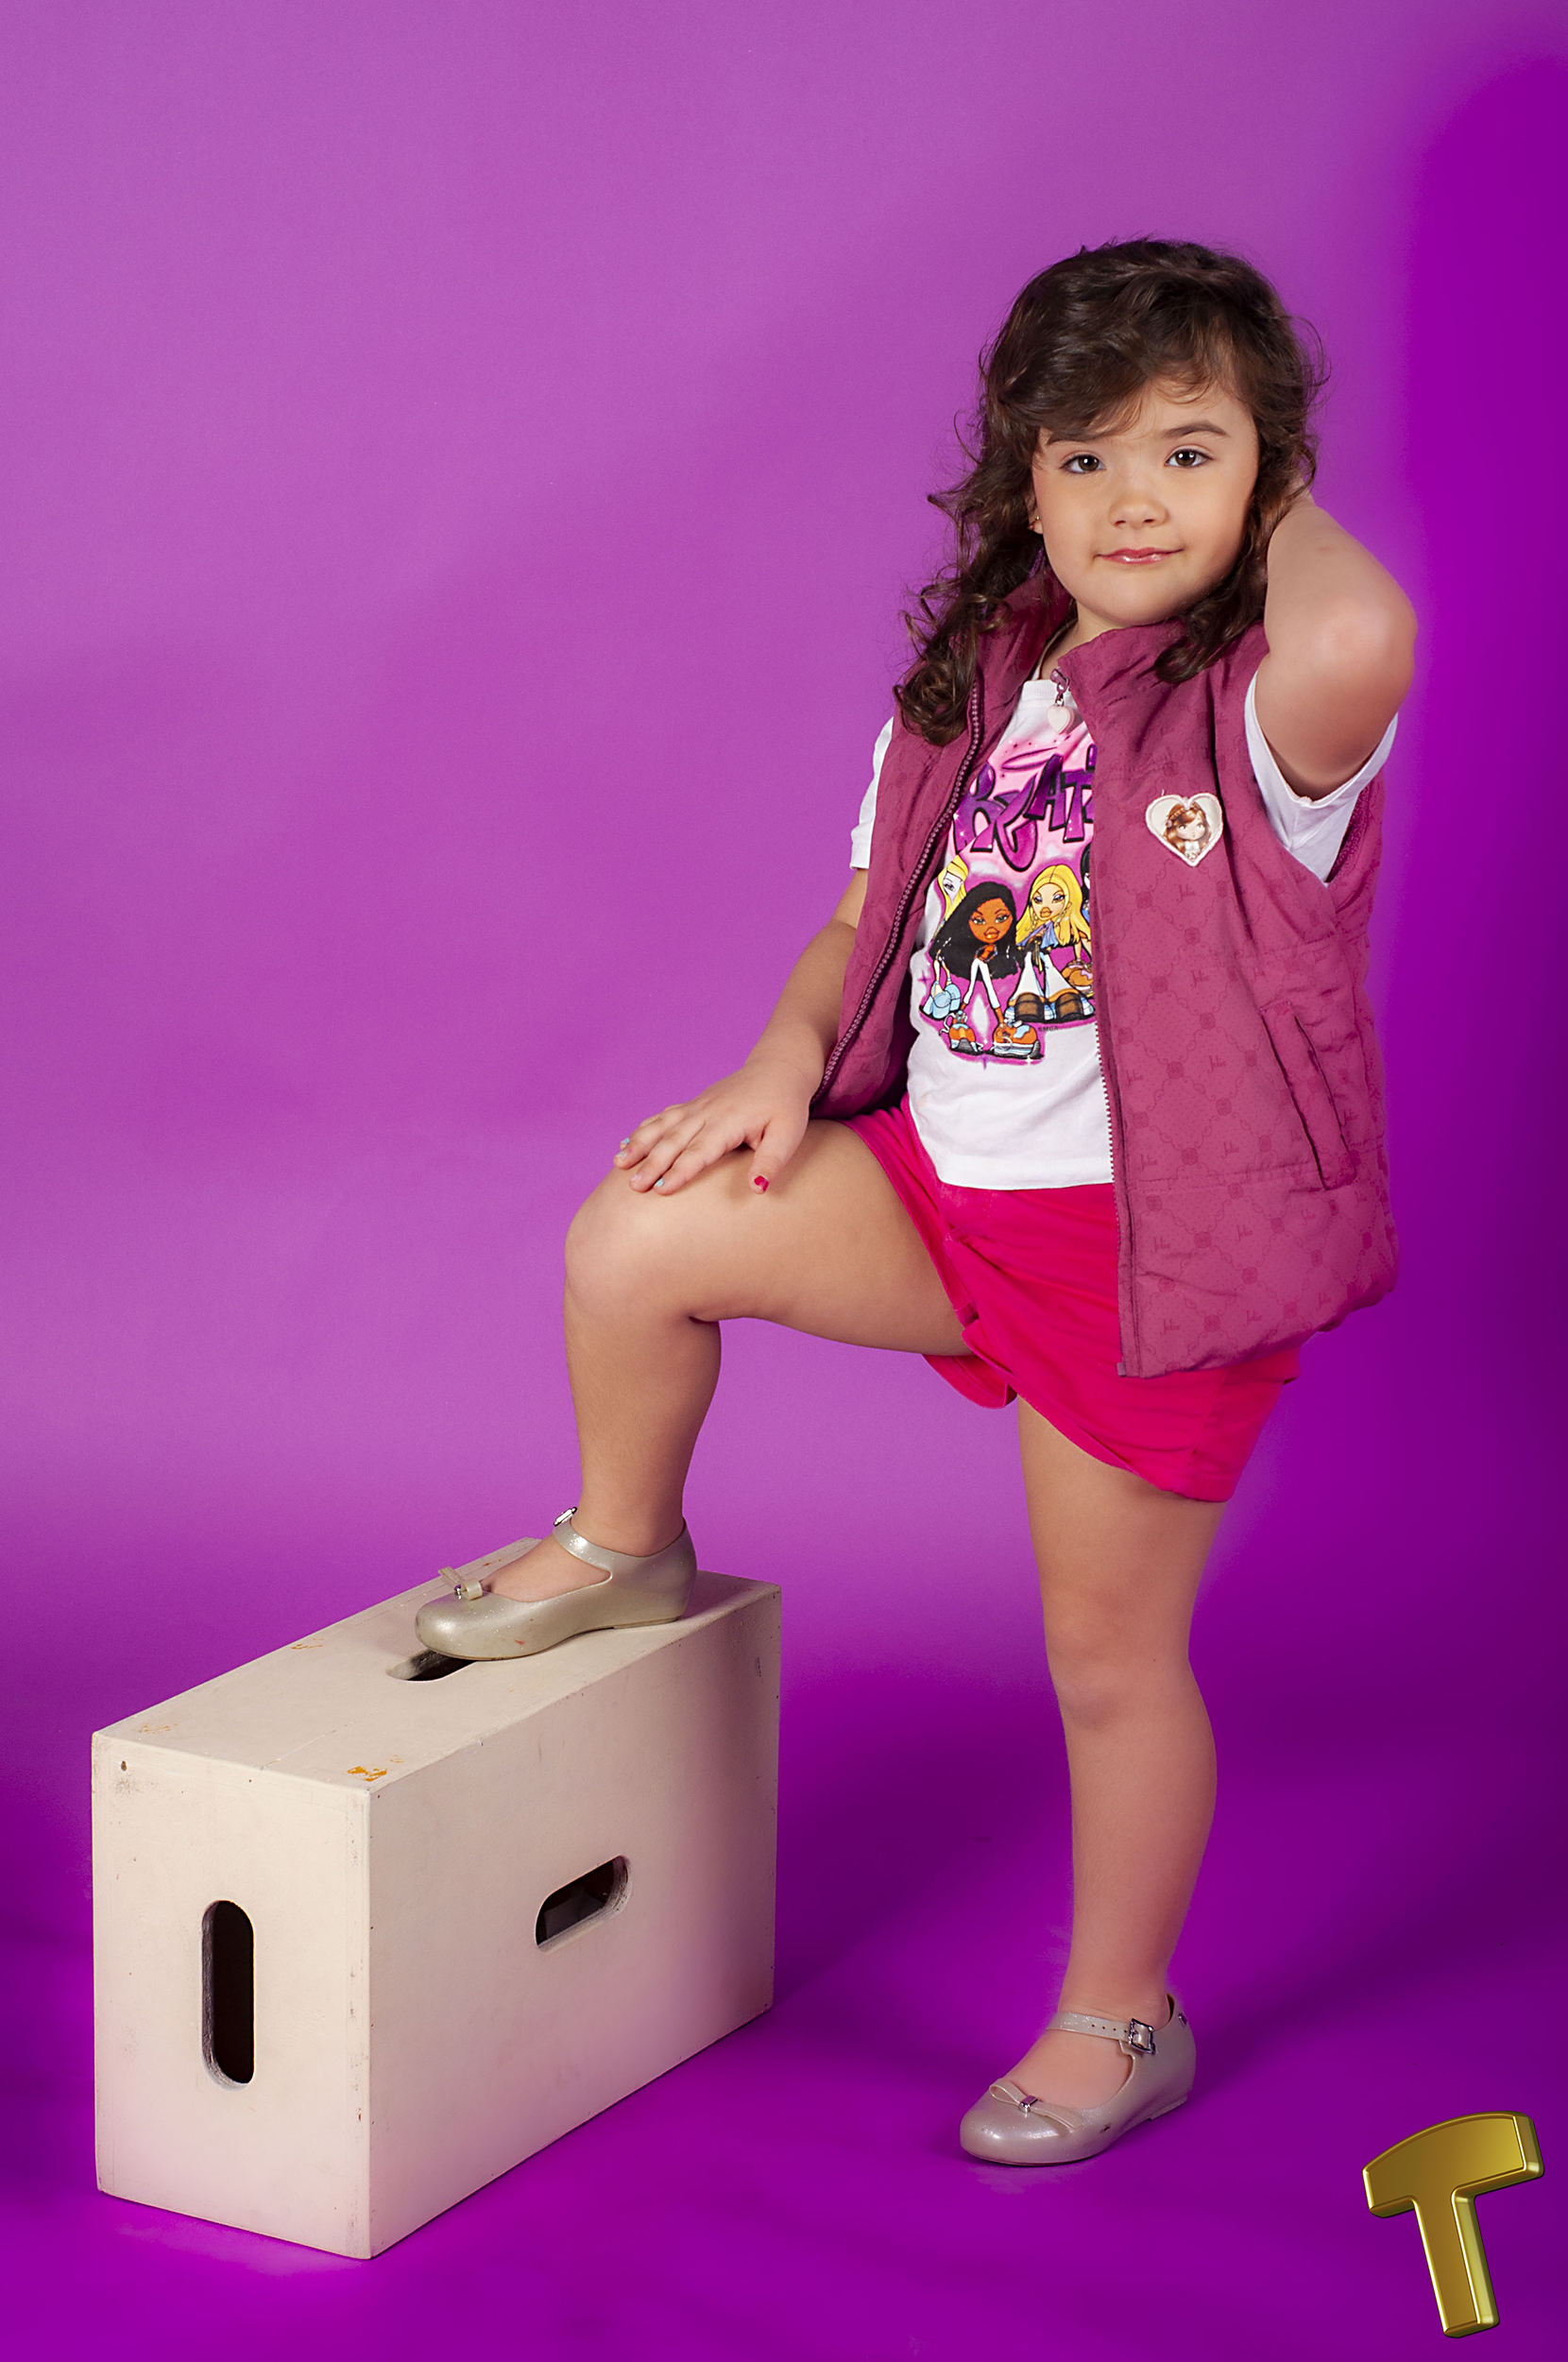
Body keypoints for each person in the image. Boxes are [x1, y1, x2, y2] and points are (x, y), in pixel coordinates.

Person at [416, 240, 1415, 2165]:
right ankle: (625, 1536)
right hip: (945, 1197)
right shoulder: (981, 684)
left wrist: (1276, 488)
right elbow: (860, 918)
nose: (1133, 500)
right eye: (1084, 456)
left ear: (1268, 474)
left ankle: (1121, 2015)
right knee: (637, 1237)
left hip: (1145, 1254)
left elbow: (1363, 628)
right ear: (1022, 478)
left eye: (1189, 453)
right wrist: (780, 1061)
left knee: (1104, 1661)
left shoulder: (1261, 711)